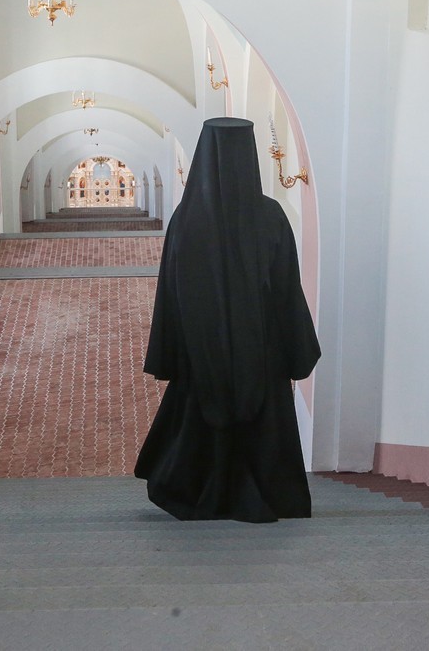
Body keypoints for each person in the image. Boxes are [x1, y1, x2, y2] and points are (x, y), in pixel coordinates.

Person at [134, 117, 320, 522]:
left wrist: (172, 349)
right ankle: (269, 494)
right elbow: (287, 290)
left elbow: (171, 293)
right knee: (264, 426)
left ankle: (203, 492)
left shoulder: (185, 219)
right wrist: (295, 350)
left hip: (200, 351)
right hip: (262, 353)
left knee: (199, 423)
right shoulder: (271, 216)